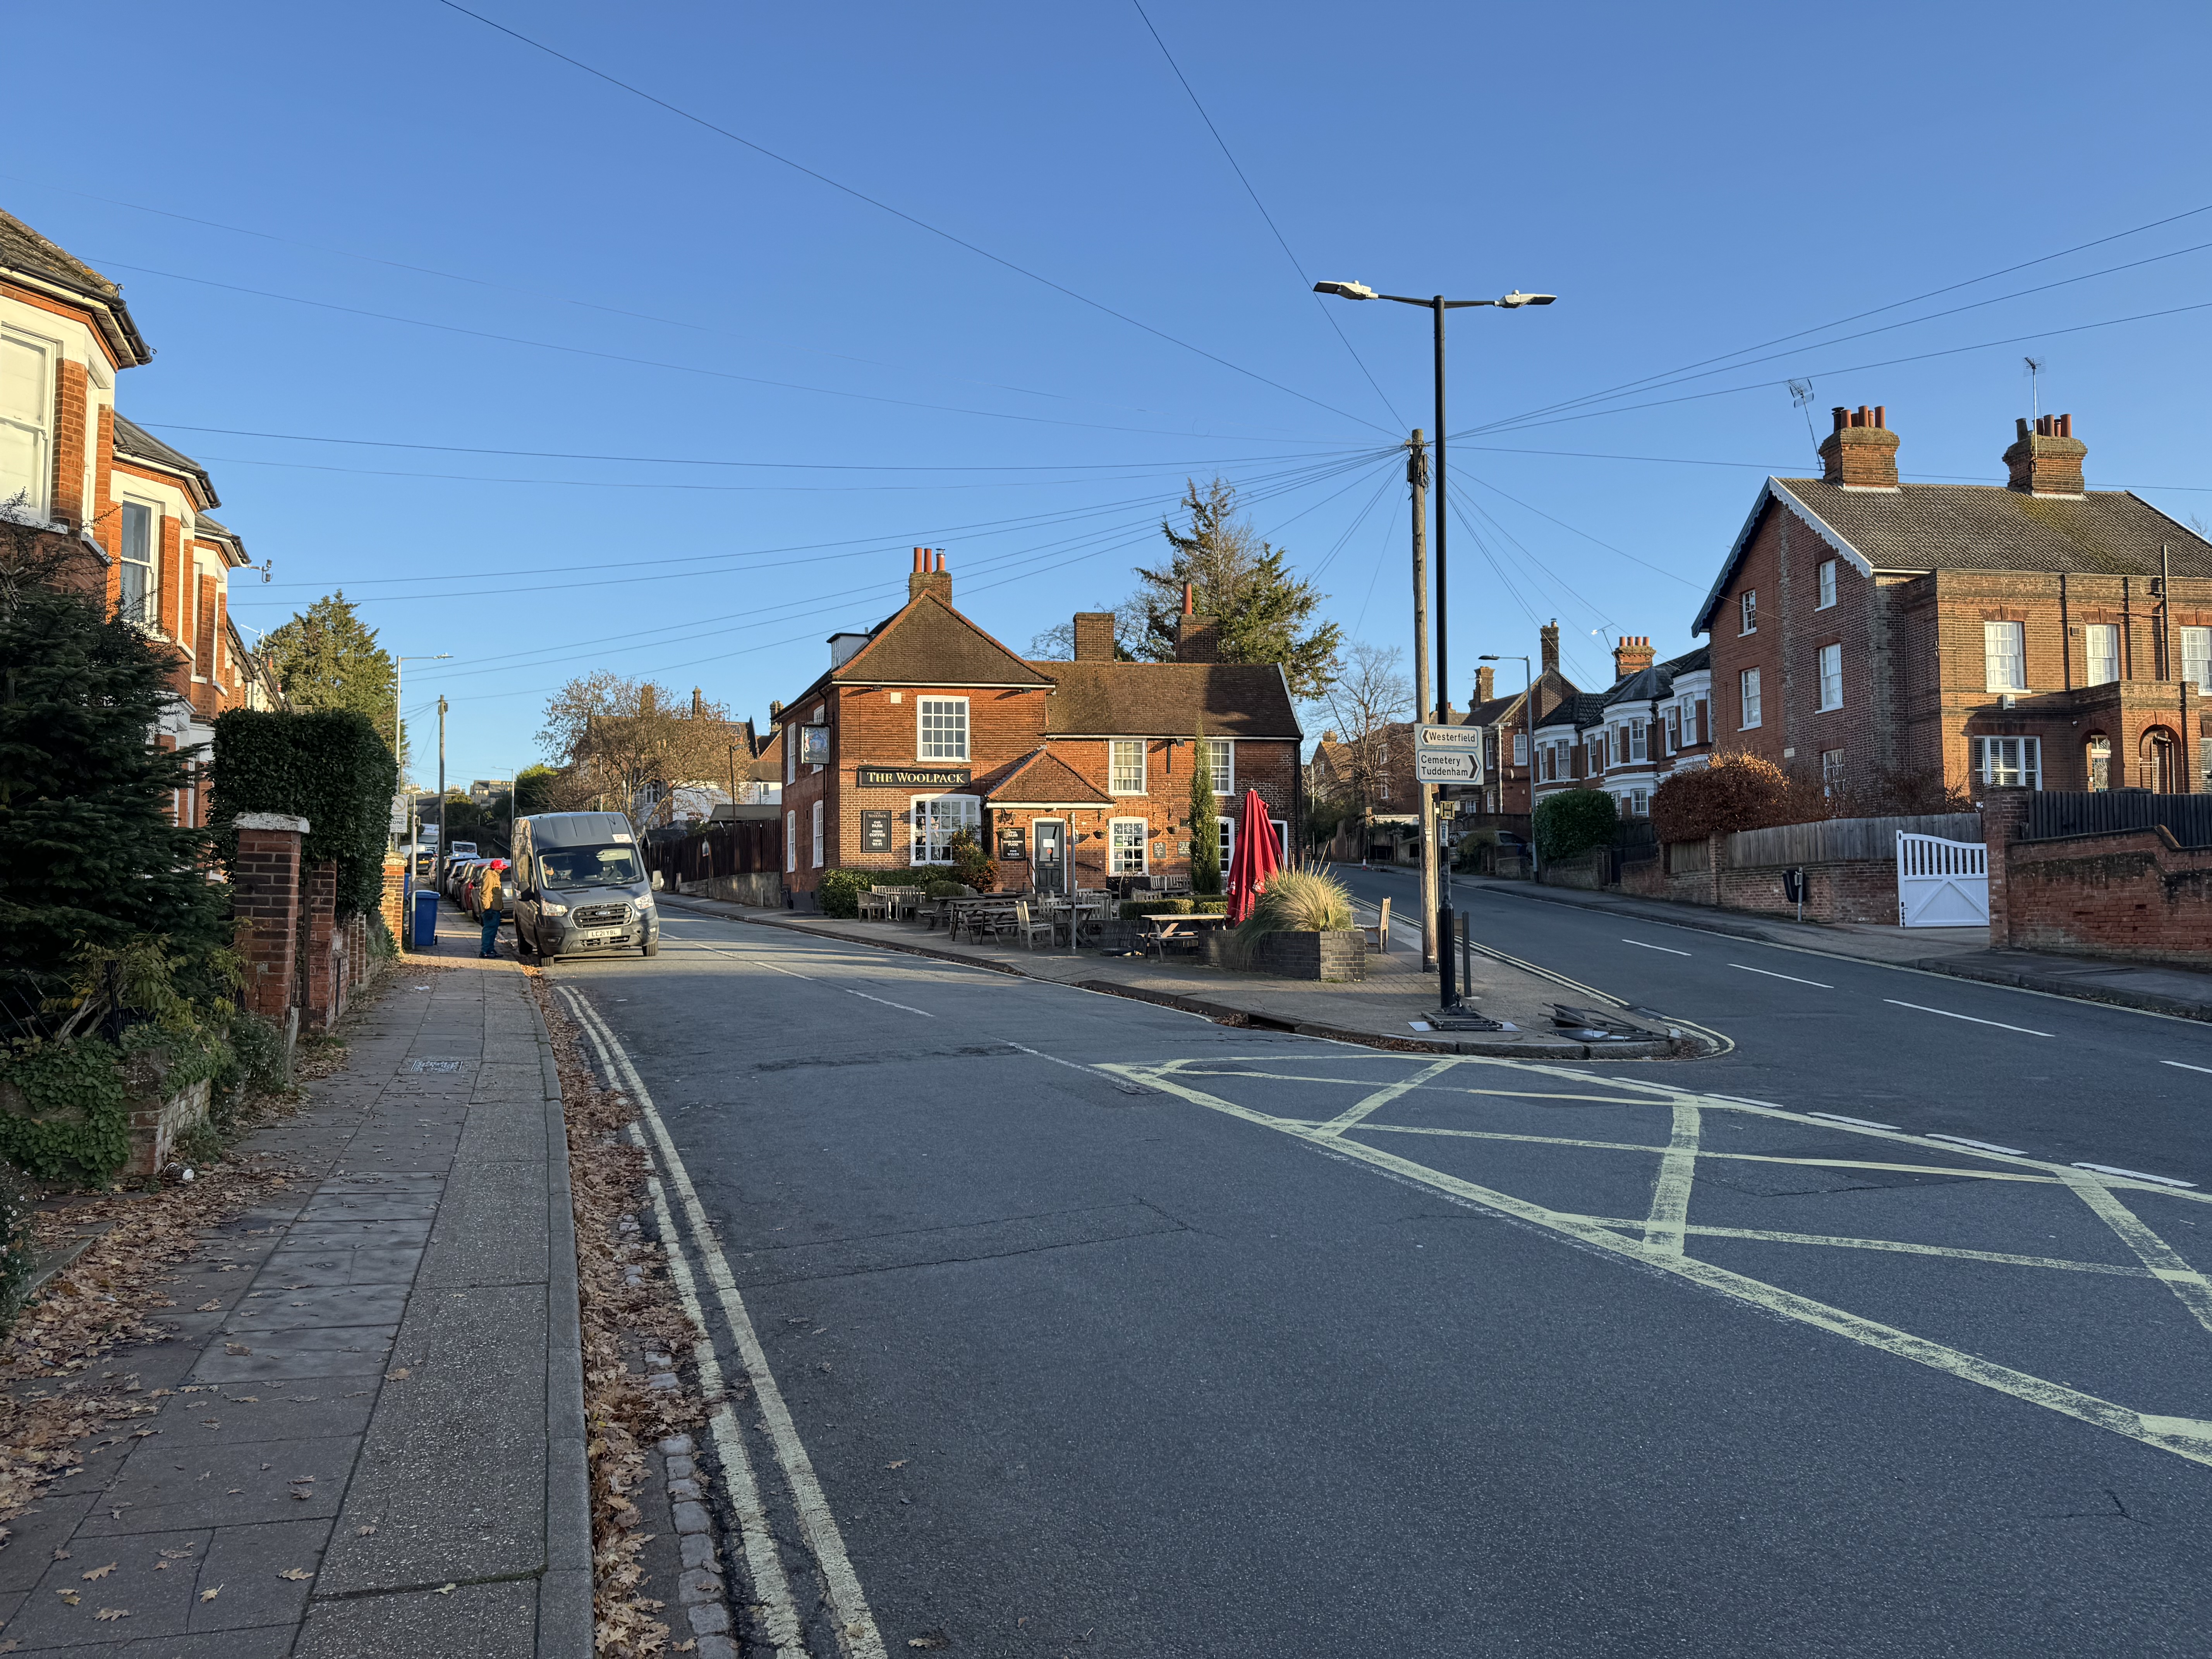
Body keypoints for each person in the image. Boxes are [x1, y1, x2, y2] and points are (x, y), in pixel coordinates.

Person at [477, 861, 507, 958]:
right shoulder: (489, 877)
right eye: (501, 868)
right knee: (489, 930)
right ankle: (485, 951)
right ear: (496, 868)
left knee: (493, 931)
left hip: (495, 908)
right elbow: (485, 893)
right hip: (491, 909)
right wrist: (487, 908)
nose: (502, 870)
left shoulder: (495, 876)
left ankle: (490, 949)